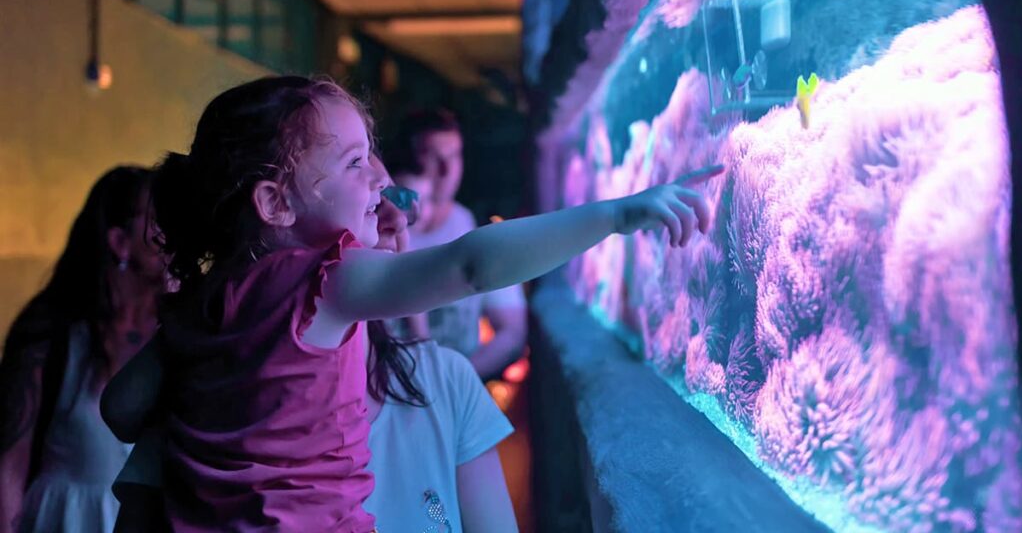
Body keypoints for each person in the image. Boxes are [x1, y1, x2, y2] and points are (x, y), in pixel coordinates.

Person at [100, 75, 721, 531]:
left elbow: (121, 408)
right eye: (353, 164)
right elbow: (472, 263)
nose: (378, 178)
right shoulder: (327, 282)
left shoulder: (204, 305)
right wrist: (615, 214)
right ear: (276, 205)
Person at [110, 154, 519, 532]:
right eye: (374, 200)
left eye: (395, 199)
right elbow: (118, 411)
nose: (397, 220)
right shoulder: (209, 400)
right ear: (274, 220)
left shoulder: (445, 381)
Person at [0, 166, 166, 533]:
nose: (168, 230)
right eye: (155, 219)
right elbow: (10, 461)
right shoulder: (53, 332)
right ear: (120, 242)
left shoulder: (180, 328)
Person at [386, 110, 527, 380]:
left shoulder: (477, 228)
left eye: (454, 156)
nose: (447, 171)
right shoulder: (378, 230)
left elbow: (513, 332)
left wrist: (455, 381)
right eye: (434, 157)